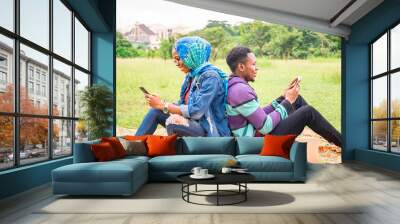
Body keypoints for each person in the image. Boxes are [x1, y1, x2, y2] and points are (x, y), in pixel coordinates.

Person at [225, 46, 342, 147]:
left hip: (256, 135)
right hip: (255, 144)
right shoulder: (240, 90)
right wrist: (287, 102)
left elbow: (258, 115)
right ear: (241, 67)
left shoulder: (236, 86)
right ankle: (345, 143)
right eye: (253, 64)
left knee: (298, 100)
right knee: (308, 112)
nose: (257, 68)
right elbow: (265, 126)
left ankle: (340, 141)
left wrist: (283, 98)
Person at [135, 36, 231, 137]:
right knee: (156, 111)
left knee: (174, 122)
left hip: (209, 130)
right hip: (193, 124)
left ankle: (176, 151)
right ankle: (134, 145)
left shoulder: (211, 77)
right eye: (174, 60)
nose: (176, 63)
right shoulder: (191, 76)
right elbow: (182, 104)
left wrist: (163, 105)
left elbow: (197, 112)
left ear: (192, 56)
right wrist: (160, 103)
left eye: (178, 58)